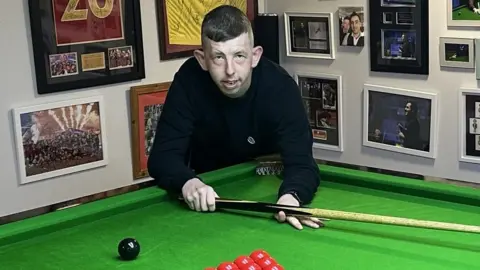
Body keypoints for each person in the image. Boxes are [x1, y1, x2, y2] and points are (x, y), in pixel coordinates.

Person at [147, 5, 322, 230]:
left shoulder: (280, 88)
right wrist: (187, 182)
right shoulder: (188, 81)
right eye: (218, 57)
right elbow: (162, 157)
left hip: (267, 179)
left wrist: (291, 196)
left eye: (239, 56)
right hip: (208, 194)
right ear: (202, 59)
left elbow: (303, 163)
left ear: (255, 56)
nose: (230, 70)